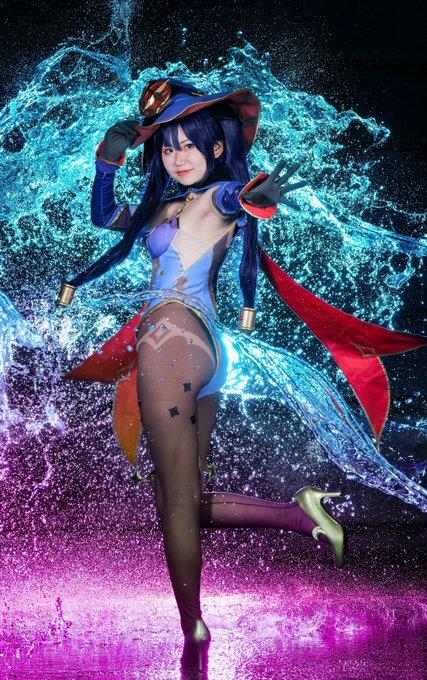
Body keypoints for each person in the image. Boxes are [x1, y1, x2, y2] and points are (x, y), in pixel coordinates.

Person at [57, 79, 426, 674]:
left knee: (174, 504)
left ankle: (193, 629)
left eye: (189, 145)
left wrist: (259, 193)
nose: (177, 157)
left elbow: (243, 198)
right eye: (168, 147)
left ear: (216, 147)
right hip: (200, 352)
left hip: (170, 341)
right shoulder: (164, 207)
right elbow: (107, 217)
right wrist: (109, 159)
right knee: (180, 498)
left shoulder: (217, 197)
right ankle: (298, 514)